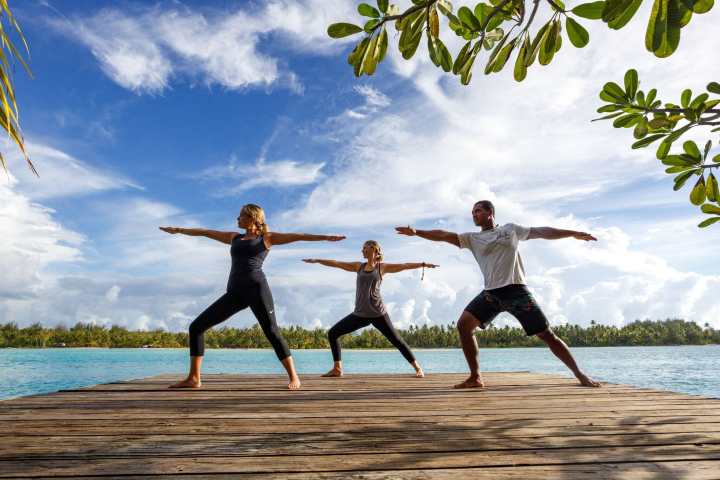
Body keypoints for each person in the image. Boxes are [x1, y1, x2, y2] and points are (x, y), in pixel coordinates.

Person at [395, 200, 600, 389]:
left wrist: (573, 233)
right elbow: (443, 235)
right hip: (491, 294)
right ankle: (475, 377)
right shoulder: (472, 238)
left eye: (478, 210)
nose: (474, 214)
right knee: (464, 326)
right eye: (472, 212)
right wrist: (416, 232)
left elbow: (542, 231)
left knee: (546, 335)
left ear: (490, 213)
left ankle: (579, 374)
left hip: (515, 290)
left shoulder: (510, 230)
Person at [160, 203, 345, 390]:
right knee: (197, 327)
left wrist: (325, 237)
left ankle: (294, 377)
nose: (237, 219)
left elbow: (299, 236)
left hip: (257, 290)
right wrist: (179, 230)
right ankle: (194, 378)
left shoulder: (266, 238)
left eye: (241, 216)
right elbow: (206, 232)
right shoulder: (234, 237)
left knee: (272, 332)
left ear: (253, 218)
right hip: (235, 293)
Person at [303, 240, 436, 378]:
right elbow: (337, 263)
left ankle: (418, 368)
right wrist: (318, 260)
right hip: (360, 314)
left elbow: (404, 266)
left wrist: (423, 264)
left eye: (364, 248)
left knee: (397, 340)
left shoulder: (381, 268)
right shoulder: (358, 266)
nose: (362, 251)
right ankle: (337, 368)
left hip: (378, 313)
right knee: (333, 333)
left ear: (374, 249)